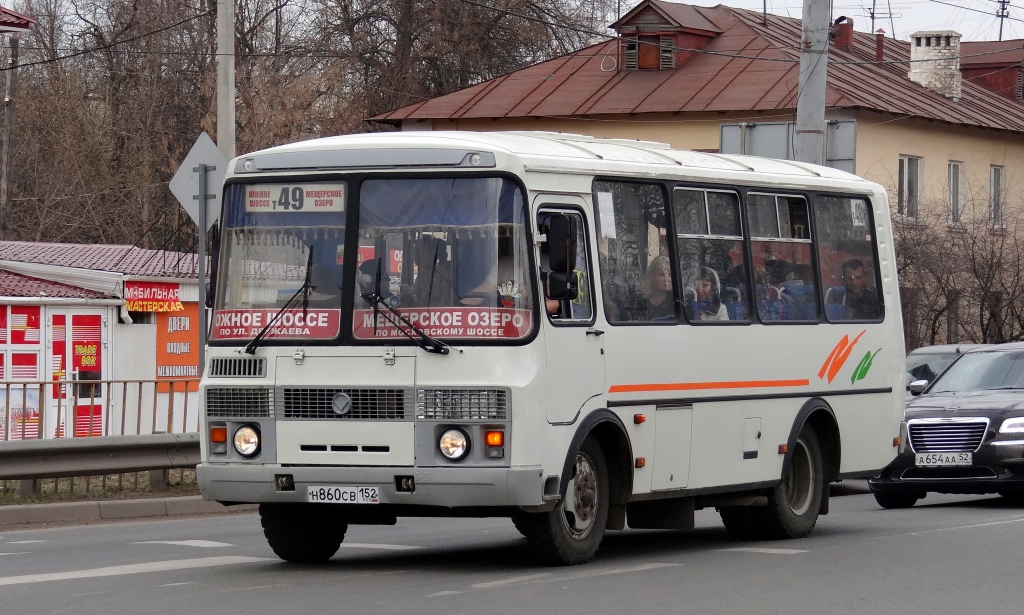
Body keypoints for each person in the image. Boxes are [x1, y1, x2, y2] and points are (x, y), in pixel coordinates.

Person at [644, 255, 675, 320]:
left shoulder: (676, 303)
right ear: (651, 276)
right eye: (662, 275)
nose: (667, 279)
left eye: (671, 275)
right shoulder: (641, 302)